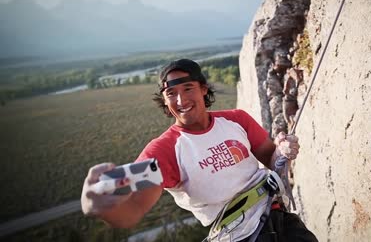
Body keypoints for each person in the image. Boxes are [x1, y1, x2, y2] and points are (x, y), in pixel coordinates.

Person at [80, 59, 318, 242]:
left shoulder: (236, 120)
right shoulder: (163, 151)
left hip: (280, 218)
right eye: (171, 93)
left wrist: (283, 151)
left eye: (188, 88)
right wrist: (99, 207)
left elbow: (271, 158)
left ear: (204, 89)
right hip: (240, 236)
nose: (181, 99)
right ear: (164, 100)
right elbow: (134, 209)